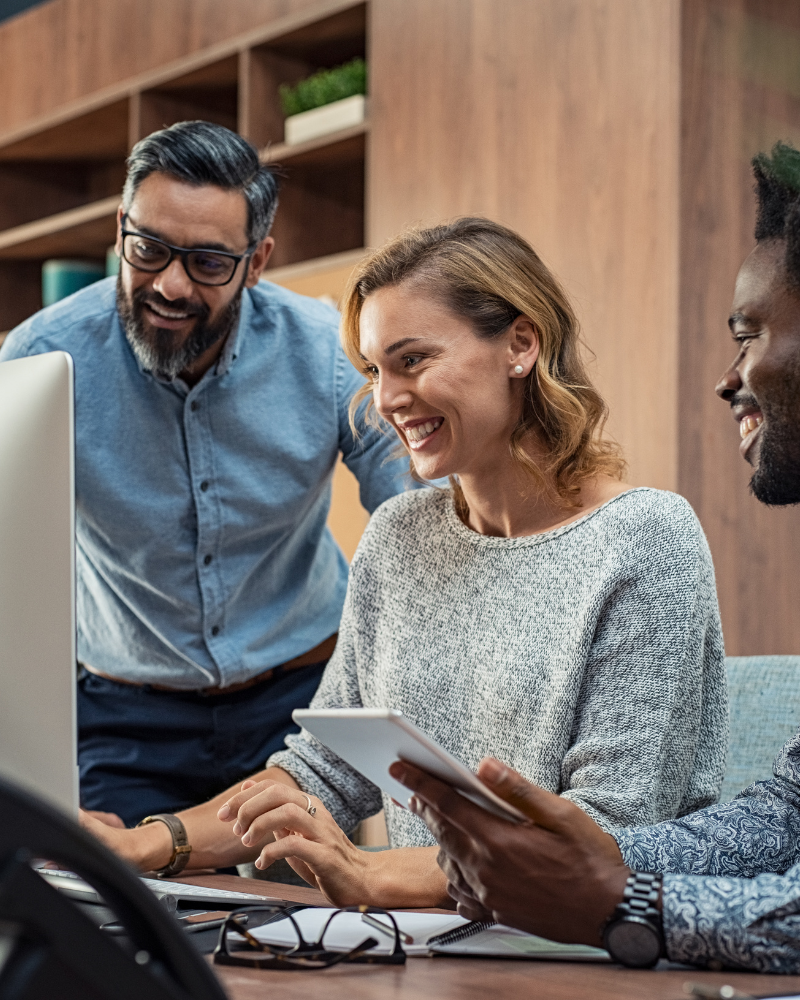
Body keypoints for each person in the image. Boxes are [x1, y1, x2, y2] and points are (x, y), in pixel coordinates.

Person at [86, 217, 727, 901]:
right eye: (374, 369)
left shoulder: (646, 538)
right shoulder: (397, 536)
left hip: (591, 952)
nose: (386, 400)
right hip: (432, 945)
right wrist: (146, 844)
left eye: (413, 360)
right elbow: (320, 774)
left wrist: (367, 874)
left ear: (520, 343)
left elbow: (607, 837)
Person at [391, 142, 800, 972]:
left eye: (750, 334)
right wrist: (598, 863)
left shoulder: (642, 534)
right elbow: (785, 819)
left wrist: (621, 897)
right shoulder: (401, 532)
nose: (729, 377)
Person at [0, 121, 409, 835]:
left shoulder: (323, 352)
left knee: (308, 931)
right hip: (127, 716)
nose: (169, 284)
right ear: (121, 226)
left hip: (299, 704)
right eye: (149, 249)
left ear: (257, 262)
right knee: (114, 926)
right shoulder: (40, 358)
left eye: (209, 263)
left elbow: (418, 511)